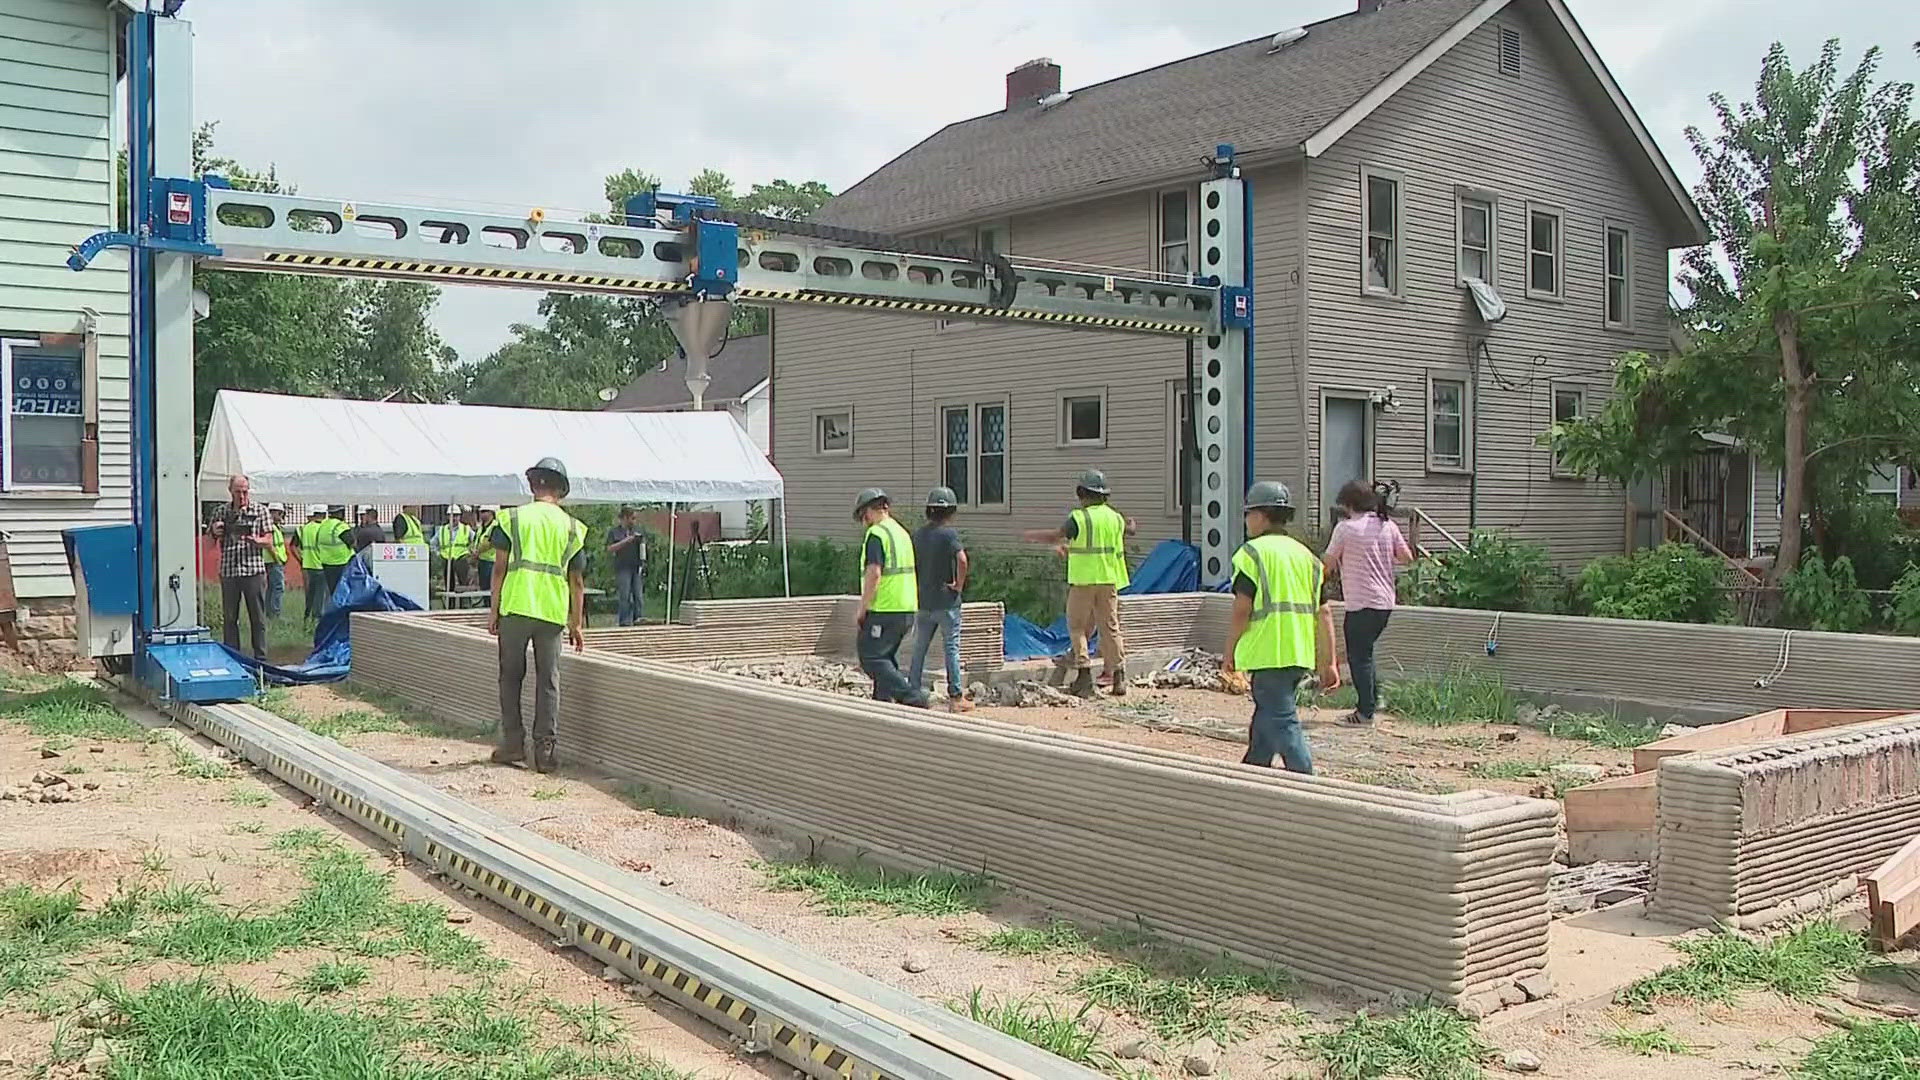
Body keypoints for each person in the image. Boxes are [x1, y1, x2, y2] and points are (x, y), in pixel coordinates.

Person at [1221, 481, 1341, 774]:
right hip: (1297, 652)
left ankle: (1305, 781)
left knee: (1283, 720)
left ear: (1262, 516)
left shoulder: (1251, 554)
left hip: (1266, 652)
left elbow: (1242, 610)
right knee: (1268, 715)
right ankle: (1253, 770)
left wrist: (1230, 651)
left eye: (1249, 513)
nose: (1246, 520)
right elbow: (1324, 612)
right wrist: (1329, 662)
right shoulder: (1308, 558)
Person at [488, 458, 588, 773]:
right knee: (549, 681)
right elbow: (577, 581)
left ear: (533, 485)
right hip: (552, 612)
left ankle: (513, 745)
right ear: (561, 490)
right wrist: (576, 623)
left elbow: (499, 569)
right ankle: (545, 752)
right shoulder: (572, 527)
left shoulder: (512, 519)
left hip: (516, 607)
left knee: (510, 678)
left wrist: (494, 611)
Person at [1021, 469, 1136, 698]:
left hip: (1084, 581)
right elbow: (1126, 531)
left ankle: (1084, 677)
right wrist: (1131, 524)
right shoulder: (1115, 517)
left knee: (1077, 628)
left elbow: (1057, 535)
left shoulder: (1078, 517)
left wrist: (1031, 535)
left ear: (1082, 493)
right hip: (1109, 579)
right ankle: (1119, 676)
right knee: (1110, 627)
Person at [1324, 480, 1414, 726]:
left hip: (1360, 601)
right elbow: (1406, 557)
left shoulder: (1345, 529)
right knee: (1366, 652)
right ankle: (1375, 698)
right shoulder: (1388, 526)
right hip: (1385, 602)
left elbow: (1328, 564)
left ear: (1349, 504)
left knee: (1358, 656)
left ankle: (1364, 712)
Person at [852, 488, 929, 708]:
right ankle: (882, 703)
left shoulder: (877, 534)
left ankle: (912, 696)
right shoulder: (901, 532)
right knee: (885, 656)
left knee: (871, 657)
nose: (864, 522)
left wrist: (862, 608)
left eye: (862, 517)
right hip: (906, 607)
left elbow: (874, 572)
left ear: (867, 512)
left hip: (884, 607)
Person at [907, 486, 972, 712]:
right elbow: (962, 560)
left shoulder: (918, 535)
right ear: (951, 511)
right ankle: (955, 697)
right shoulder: (949, 535)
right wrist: (959, 585)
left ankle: (912, 690)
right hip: (947, 601)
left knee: (920, 647)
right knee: (951, 647)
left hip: (924, 600)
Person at [207, 474, 272, 659]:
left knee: (257, 617)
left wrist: (257, 540)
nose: (242, 496)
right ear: (230, 491)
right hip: (229, 571)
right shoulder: (221, 512)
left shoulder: (260, 511)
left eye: (245, 492)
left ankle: (261, 659)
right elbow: (208, 542)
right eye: (238, 492)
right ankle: (232, 657)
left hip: (253, 571)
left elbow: (269, 540)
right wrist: (214, 531)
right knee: (229, 618)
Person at [605, 505, 647, 627]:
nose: (634, 521)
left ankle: (638, 619)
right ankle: (624, 622)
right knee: (625, 595)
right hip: (622, 567)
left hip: (636, 566)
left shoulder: (638, 530)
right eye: (632, 518)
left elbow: (643, 547)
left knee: (638, 596)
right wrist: (626, 541)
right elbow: (609, 548)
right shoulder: (614, 532)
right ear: (625, 518)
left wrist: (643, 560)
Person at [295, 504, 329, 619]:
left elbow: (297, 546)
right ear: (325, 514)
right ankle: (317, 619)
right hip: (320, 565)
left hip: (307, 565)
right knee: (320, 596)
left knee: (310, 595)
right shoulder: (324, 528)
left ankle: (307, 617)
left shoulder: (304, 528)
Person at [438, 505, 476, 591]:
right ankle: (450, 604)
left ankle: (465, 603)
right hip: (447, 560)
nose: (454, 518)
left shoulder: (466, 529)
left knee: (464, 585)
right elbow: (433, 544)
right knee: (449, 586)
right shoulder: (442, 530)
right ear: (448, 516)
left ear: (459, 516)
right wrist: (438, 553)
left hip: (462, 559)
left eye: (456, 515)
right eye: (451, 515)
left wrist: (472, 551)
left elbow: (476, 540)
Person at [319, 505, 354, 595]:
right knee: (343, 592)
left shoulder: (323, 525)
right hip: (342, 563)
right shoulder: (340, 526)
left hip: (326, 564)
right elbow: (352, 542)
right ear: (340, 512)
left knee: (332, 592)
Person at [262, 503, 289, 618]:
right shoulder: (271, 528)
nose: (282, 516)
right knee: (278, 587)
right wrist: (277, 559)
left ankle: (269, 613)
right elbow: (270, 545)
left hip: (272, 561)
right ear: (273, 513)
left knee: (271, 588)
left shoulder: (273, 527)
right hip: (274, 561)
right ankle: (275, 613)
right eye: (280, 513)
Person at [474, 505, 499, 594]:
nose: (481, 514)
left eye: (484, 511)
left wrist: (478, 551)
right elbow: (477, 541)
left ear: (491, 513)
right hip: (482, 561)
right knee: (483, 587)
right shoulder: (481, 528)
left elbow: (489, 543)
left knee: (490, 588)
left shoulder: (495, 526)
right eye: (481, 512)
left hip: (492, 562)